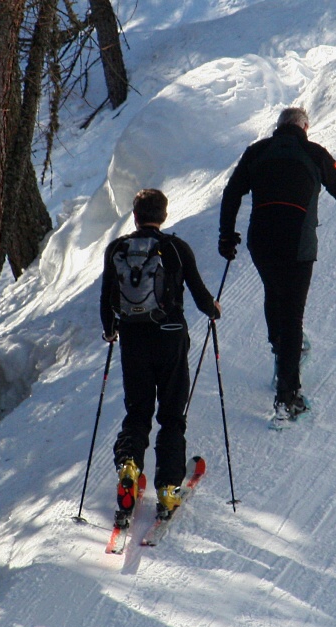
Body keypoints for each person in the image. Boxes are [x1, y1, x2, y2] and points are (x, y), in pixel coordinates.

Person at [218, 107, 336, 422]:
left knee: (273, 292)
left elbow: (232, 193)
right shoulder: (314, 152)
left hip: (261, 241)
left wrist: (226, 237)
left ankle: (281, 353)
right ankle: (287, 396)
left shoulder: (257, 151)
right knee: (292, 315)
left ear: (278, 127)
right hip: (298, 244)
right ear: (304, 127)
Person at [100, 188, 221, 525]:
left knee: (138, 413)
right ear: (163, 215)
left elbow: (107, 298)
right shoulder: (175, 248)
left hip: (134, 342)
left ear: (135, 216)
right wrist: (213, 310)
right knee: (171, 415)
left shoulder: (118, 249)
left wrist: (111, 331)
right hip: (170, 339)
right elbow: (199, 294)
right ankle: (168, 490)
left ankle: (129, 466)